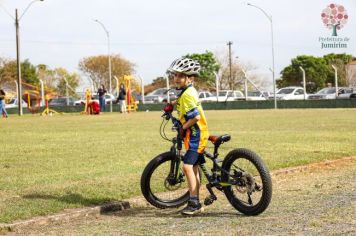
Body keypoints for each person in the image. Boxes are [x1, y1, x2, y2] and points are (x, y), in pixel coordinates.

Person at [167, 57, 209, 215]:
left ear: (189, 78)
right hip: (195, 134)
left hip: (196, 135)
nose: (176, 78)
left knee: (187, 166)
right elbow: (183, 100)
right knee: (194, 168)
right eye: (175, 75)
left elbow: (195, 117)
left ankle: (194, 204)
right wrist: (173, 103)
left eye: (181, 76)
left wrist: (182, 127)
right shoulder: (188, 91)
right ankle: (195, 199)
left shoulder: (188, 95)